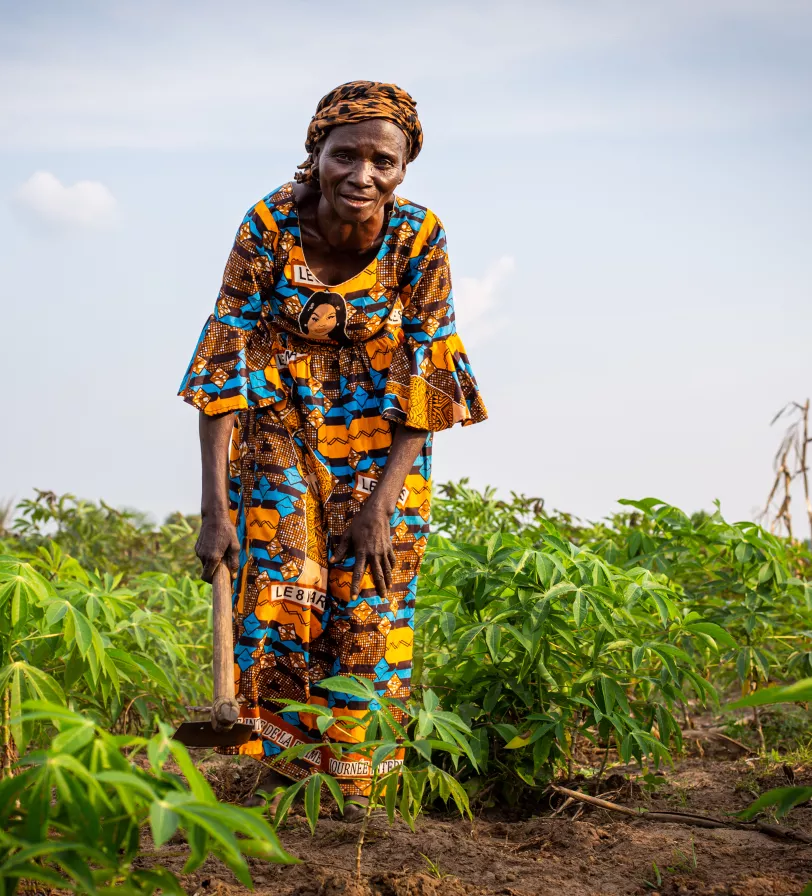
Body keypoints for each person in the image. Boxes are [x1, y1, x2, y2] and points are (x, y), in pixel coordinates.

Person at [177, 80, 487, 819]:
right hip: (279, 420)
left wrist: (381, 504)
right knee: (285, 587)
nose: (363, 174)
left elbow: (432, 373)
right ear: (315, 153)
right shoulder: (268, 225)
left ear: (406, 164)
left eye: (384, 159)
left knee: (369, 599)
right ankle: (289, 777)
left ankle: (356, 786)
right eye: (345, 154)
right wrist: (213, 510)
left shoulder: (418, 237)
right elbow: (226, 359)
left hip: (383, 436)